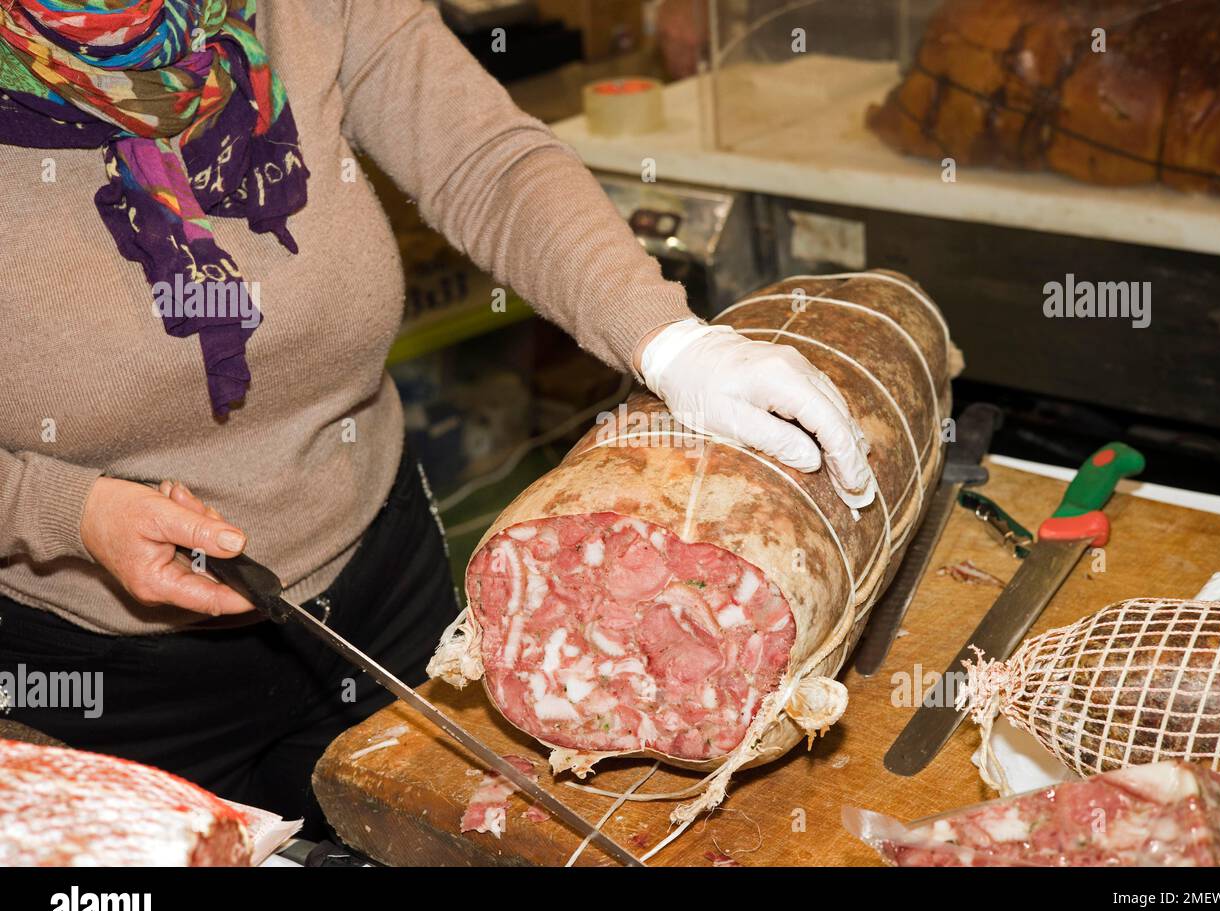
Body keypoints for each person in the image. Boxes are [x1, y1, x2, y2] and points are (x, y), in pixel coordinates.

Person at [0, 0, 868, 837]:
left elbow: (484, 162)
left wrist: (670, 344)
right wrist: (58, 512)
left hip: (385, 584)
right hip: (102, 673)